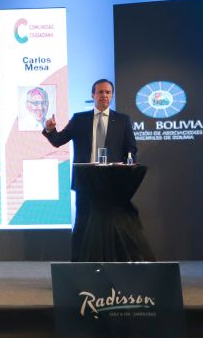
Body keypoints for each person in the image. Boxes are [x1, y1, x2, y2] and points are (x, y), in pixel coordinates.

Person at [42, 79, 137, 259]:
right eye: (100, 92)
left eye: (108, 92)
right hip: (86, 181)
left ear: (112, 95)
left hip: (112, 182)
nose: (104, 96)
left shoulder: (123, 120)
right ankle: (79, 265)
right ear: (92, 95)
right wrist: (49, 130)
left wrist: (127, 169)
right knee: (83, 224)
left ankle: (113, 264)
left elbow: (131, 150)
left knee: (111, 226)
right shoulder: (80, 119)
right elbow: (57, 141)